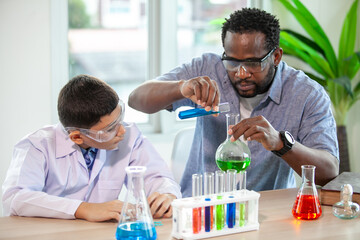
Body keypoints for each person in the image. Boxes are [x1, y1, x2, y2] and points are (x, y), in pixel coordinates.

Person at [128, 8, 339, 197]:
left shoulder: (306, 94)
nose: (241, 73)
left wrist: (281, 143)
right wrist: (181, 87)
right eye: (232, 62)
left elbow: (329, 172)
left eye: (252, 63)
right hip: (200, 207)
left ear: (276, 57)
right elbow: (136, 100)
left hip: (265, 212)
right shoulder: (208, 69)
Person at [2, 74, 181, 221]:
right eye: (109, 129)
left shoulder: (130, 135)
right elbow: (15, 198)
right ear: (77, 137)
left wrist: (166, 194)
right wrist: (83, 209)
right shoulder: (37, 146)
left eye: (120, 118)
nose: (121, 131)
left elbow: (157, 176)